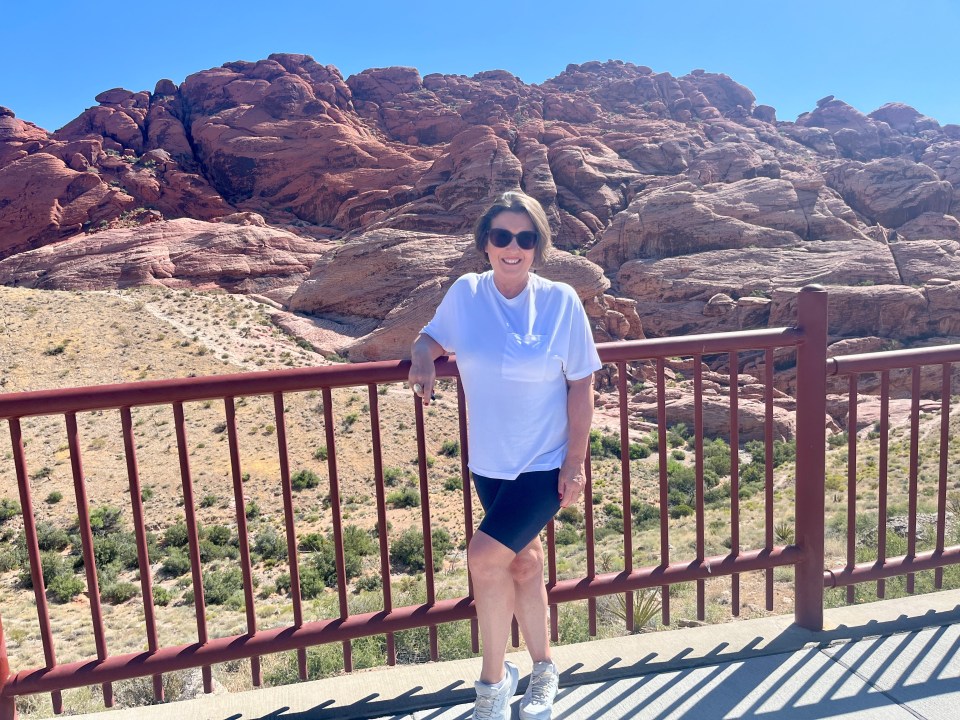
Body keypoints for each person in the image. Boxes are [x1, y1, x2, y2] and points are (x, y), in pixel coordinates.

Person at [408, 190, 601, 720]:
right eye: (501, 237)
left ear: (539, 245)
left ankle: (492, 686)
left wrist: (575, 463)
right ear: (486, 244)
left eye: (525, 238)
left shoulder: (561, 301)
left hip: (544, 463)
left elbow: (582, 385)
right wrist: (423, 353)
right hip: (488, 462)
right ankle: (543, 669)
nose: (512, 248)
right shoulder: (466, 294)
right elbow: (432, 335)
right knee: (523, 563)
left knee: (482, 559)